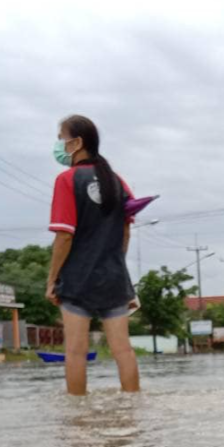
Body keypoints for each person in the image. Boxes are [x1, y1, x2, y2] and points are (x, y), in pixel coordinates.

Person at [45, 115, 140, 396]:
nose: (59, 144)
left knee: (75, 352)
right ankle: (134, 411)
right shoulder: (118, 181)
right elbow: (125, 232)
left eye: (61, 138)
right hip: (113, 278)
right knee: (123, 350)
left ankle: (77, 419)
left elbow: (64, 236)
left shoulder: (67, 180)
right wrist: (116, 266)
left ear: (76, 143)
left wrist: (52, 279)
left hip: (77, 279)